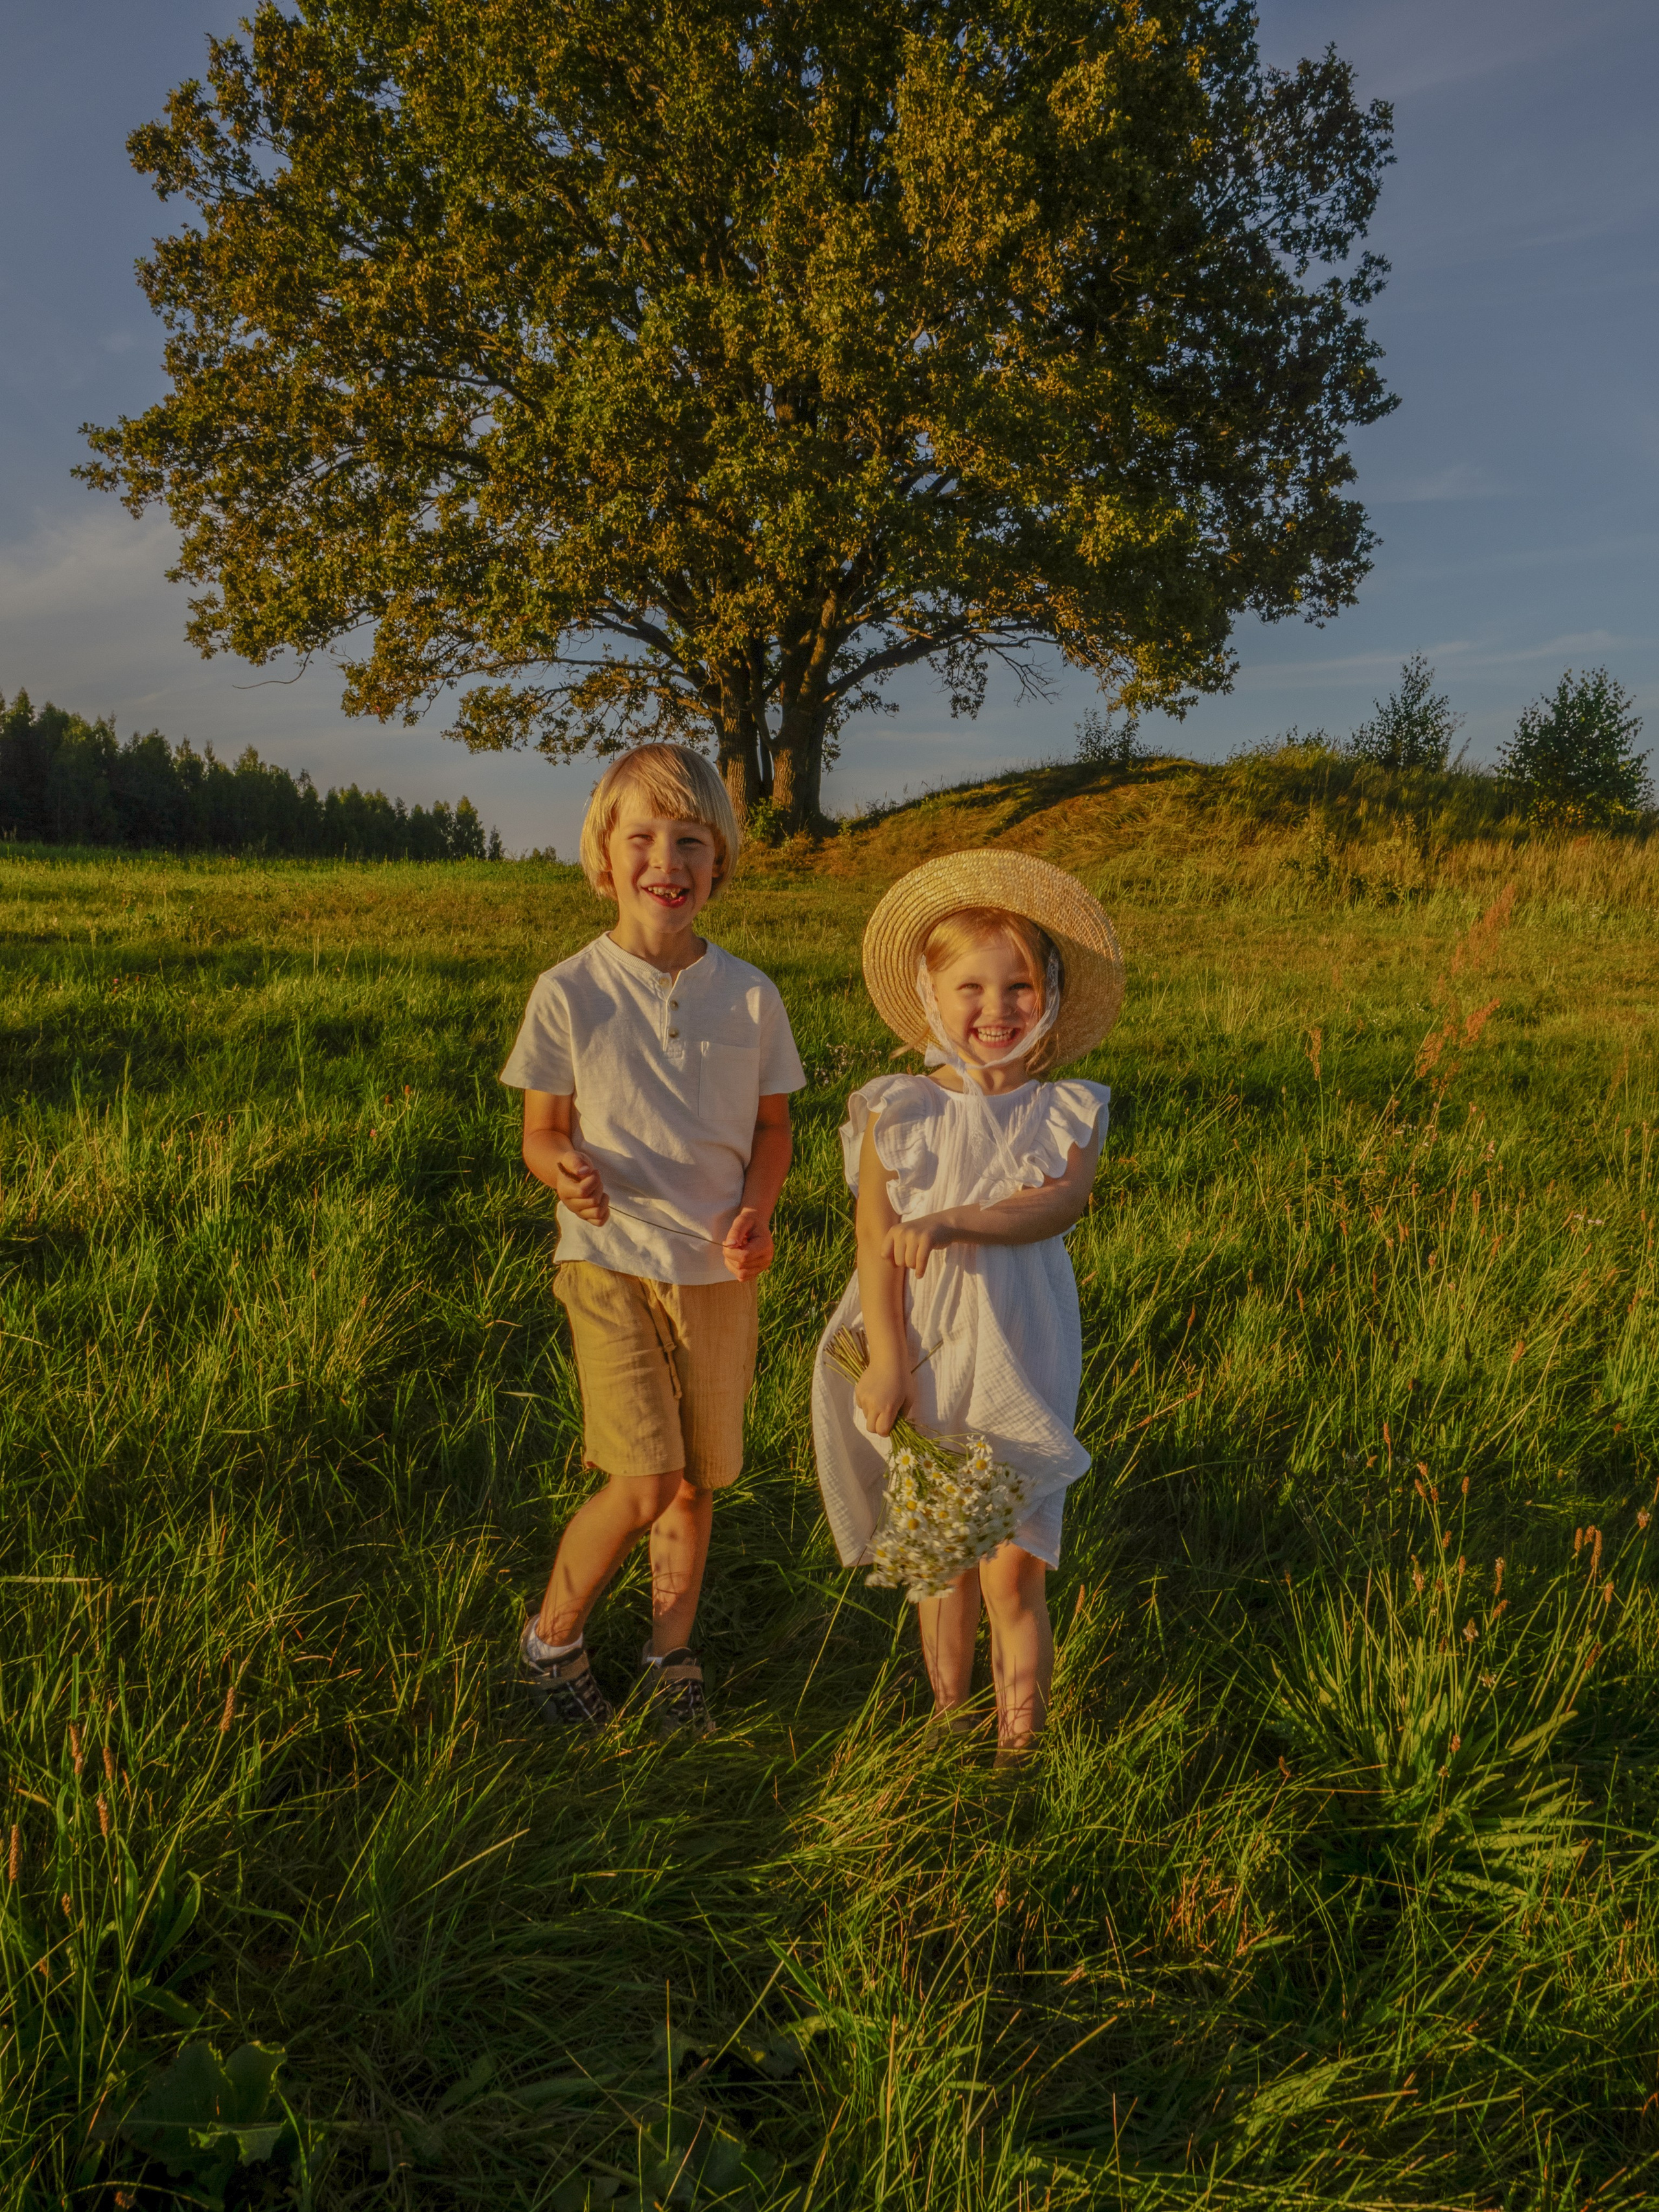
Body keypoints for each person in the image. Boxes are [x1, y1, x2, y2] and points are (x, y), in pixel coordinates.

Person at [500, 743, 805, 1735]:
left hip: (717, 1266)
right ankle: (551, 1643)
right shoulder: (571, 991)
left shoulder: (751, 994)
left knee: (701, 1476)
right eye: (643, 838)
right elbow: (540, 1130)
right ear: (603, 854)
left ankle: (670, 1658)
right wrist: (563, 1167)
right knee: (642, 1477)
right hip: (609, 1256)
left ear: (719, 863)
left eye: (691, 840)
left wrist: (757, 1211)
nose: (666, 859)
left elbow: (773, 1130)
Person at [811, 849, 1124, 1760]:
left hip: (1024, 1340)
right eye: (971, 988)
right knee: (941, 1554)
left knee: (1014, 1565)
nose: (996, 1010)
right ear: (931, 995)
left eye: (1019, 986)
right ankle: (950, 1722)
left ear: (1052, 995)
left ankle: (1020, 1746)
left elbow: (1060, 1203)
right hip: (925, 1340)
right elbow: (874, 1239)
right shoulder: (897, 1107)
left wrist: (951, 1222)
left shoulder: (1064, 1107)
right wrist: (888, 1359)